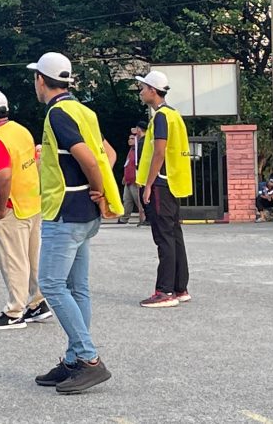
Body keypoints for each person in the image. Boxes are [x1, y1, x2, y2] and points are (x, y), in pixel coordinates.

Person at [28, 52, 122, 394]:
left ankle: (89, 359)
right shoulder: (85, 111)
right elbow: (108, 155)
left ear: (41, 79)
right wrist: (98, 192)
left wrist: (96, 186)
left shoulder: (57, 113)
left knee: (51, 285)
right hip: (86, 213)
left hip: (64, 212)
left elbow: (87, 157)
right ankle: (72, 362)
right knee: (77, 289)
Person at [0, 89, 52, 332]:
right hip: (31, 204)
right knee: (32, 257)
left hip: (11, 208)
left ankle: (14, 311)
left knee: (13, 260)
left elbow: (3, 175)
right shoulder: (21, 130)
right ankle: (38, 302)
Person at [135, 69, 193, 308]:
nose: (140, 92)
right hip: (173, 182)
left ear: (152, 90)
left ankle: (165, 291)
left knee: (164, 238)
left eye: (143, 88)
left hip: (160, 182)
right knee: (174, 235)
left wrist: (148, 185)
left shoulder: (160, 117)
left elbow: (159, 151)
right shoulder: (173, 115)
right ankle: (180, 287)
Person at [118, 121, 148, 225]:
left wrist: (136, 131)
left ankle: (144, 217)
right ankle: (124, 218)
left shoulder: (139, 147)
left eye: (132, 138)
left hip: (135, 179)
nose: (129, 140)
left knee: (138, 199)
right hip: (128, 179)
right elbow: (128, 164)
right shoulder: (131, 150)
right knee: (127, 200)